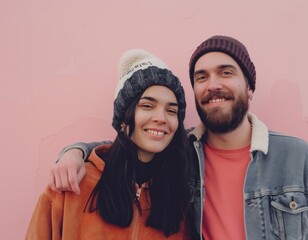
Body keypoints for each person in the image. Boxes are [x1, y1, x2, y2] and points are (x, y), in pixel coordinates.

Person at [49, 36, 308, 240]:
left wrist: (74, 150)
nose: (213, 85)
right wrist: (75, 151)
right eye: (201, 77)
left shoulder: (298, 158)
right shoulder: (180, 153)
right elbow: (128, 143)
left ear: (249, 88)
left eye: (226, 72)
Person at [26, 49, 194, 240]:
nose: (161, 118)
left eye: (171, 110)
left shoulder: (178, 197)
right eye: (147, 106)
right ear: (123, 118)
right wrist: (74, 151)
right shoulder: (72, 184)